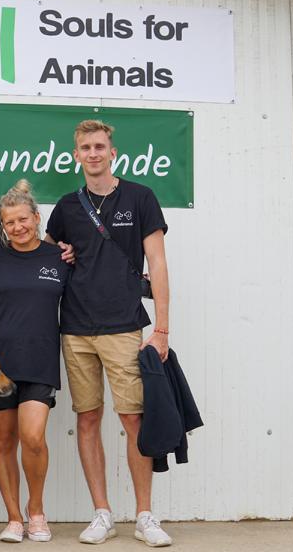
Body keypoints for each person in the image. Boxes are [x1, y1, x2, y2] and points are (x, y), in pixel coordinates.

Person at [45, 119, 173, 547]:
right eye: (86, 147)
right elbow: (41, 259)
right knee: (87, 418)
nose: (94, 152)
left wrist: (163, 329)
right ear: (76, 155)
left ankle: (144, 516)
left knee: (133, 418)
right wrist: (58, 251)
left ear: (112, 152)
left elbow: (157, 264)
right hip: (76, 328)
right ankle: (102, 513)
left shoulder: (140, 198)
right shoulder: (65, 207)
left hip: (123, 327)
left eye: (100, 146)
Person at [0, 180, 71, 543]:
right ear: (2, 225)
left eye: (23, 219)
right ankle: (14, 518)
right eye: (9, 222)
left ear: (36, 218)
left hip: (41, 358)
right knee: (3, 442)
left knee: (32, 438)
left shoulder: (59, 258)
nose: (17, 228)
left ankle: (37, 512)